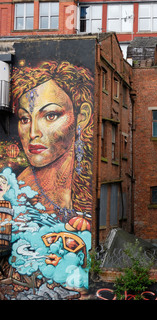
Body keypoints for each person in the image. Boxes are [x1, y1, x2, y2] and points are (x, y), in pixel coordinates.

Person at [10, 61, 94, 222]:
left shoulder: (86, 181)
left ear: (81, 117)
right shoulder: (16, 192)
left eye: (50, 116)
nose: (33, 133)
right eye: (25, 118)